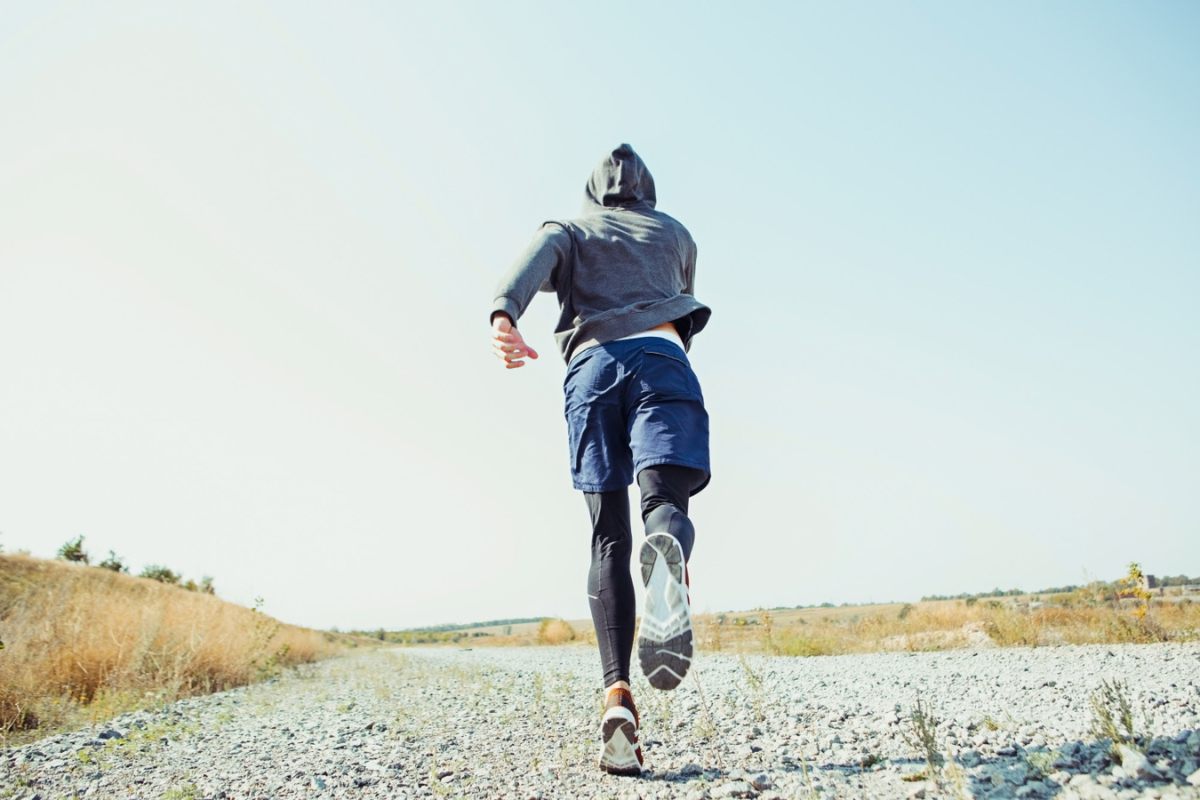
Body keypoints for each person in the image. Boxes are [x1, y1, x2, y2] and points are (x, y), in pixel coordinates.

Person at [489, 144, 711, 776]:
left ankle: (617, 696)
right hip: (663, 361)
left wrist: (505, 314)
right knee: (664, 503)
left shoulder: (570, 227)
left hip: (592, 370)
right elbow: (678, 292)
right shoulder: (676, 234)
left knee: (607, 534)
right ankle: (669, 564)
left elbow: (532, 263)